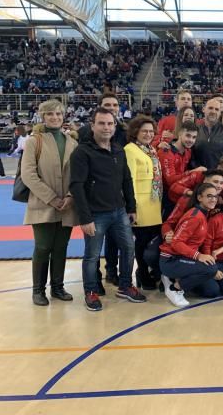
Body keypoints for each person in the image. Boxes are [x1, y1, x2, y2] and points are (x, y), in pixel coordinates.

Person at [70, 108, 146, 311]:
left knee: (129, 248)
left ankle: (125, 286)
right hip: (95, 214)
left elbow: (126, 180)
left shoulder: (118, 150)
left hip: (119, 211)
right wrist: (85, 218)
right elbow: (76, 186)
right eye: (102, 123)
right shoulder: (82, 152)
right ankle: (91, 291)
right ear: (92, 125)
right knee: (92, 255)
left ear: (115, 126)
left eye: (110, 124)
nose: (106, 127)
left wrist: (131, 207)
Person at [22, 100, 78, 306]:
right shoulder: (33, 141)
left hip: (68, 205)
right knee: (43, 246)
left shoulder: (72, 141)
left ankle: (58, 287)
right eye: (50, 114)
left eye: (58, 114)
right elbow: (28, 175)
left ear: (64, 116)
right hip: (43, 203)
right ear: (43, 117)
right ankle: (38, 290)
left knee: (61, 247)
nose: (55, 117)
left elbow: (78, 174)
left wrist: (71, 196)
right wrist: (53, 198)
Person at [159, 183, 223, 307]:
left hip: (185, 258)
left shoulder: (205, 213)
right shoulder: (194, 216)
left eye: (215, 196)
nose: (213, 199)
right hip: (171, 260)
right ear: (200, 197)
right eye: (209, 196)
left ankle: (176, 278)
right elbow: (176, 242)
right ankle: (175, 288)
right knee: (210, 269)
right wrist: (198, 256)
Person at [77, 94, 127, 285]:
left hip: (116, 194)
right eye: (107, 104)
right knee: (94, 245)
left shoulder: (124, 130)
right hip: (95, 198)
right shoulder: (83, 133)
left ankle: (112, 272)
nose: (112, 107)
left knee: (115, 241)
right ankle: (94, 278)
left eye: (115, 105)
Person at [124, 115, 164, 290]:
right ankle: (142, 274)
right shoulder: (130, 150)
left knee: (151, 242)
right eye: (144, 131)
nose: (148, 134)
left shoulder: (151, 149)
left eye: (151, 131)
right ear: (135, 132)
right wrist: (131, 207)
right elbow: (129, 180)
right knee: (141, 244)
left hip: (154, 205)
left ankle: (150, 272)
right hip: (140, 205)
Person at [158, 121, 199, 216]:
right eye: (188, 136)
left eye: (194, 137)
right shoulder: (166, 151)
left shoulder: (188, 151)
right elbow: (171, 180)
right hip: (165, 198)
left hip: (179, 195)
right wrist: (193, 172)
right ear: (180, 134)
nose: (191, 140)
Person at [191, 98, 223, 170]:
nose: (213, 111)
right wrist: (197, 169)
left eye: (217, 109)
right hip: (199, 176)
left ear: (220, 113)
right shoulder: (195, 130)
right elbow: (190, 155)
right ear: (203, 109)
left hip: (221, 178)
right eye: (210, 108)